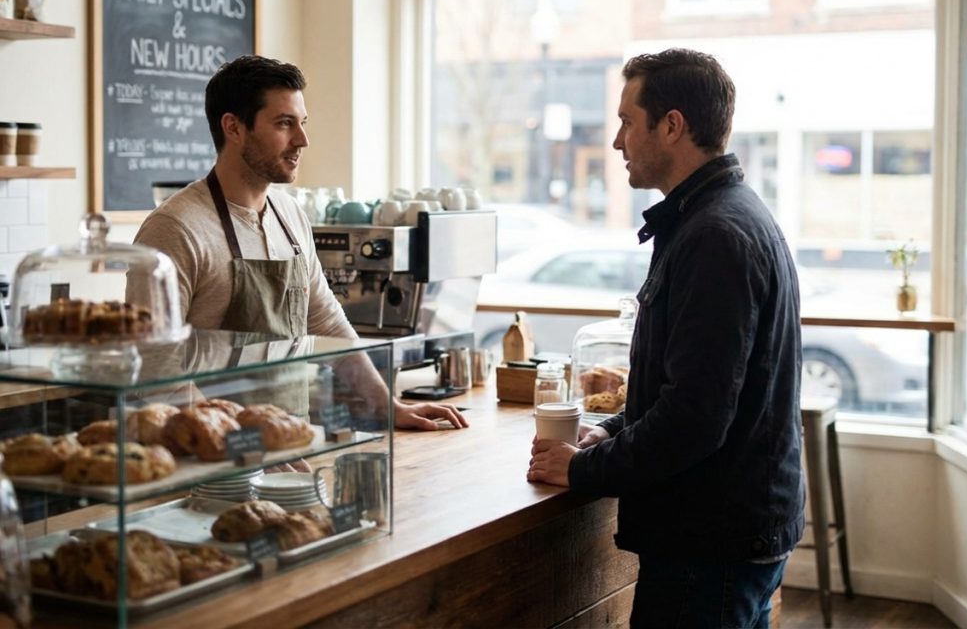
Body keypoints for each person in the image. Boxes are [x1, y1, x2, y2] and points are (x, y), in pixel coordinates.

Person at [528, 48, 804, 628]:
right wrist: (607, 431)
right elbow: (683, 390)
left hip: (710, 542)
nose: (617, 142)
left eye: (628, 121)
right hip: (729, 533)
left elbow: (695, 418)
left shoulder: (714, 236)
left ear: (672, 125)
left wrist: (581, 470)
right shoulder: (717, 218)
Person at [134, 54, 467, 432]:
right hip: (211, 459)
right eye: (284, 124)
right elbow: (156, 365)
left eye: (302, 123)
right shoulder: (175, 228)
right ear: (234, 127)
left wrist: (388, 407)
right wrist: (233, 441)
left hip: (290, 445)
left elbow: (326, 321)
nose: (302, 140)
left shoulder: (290, 216)